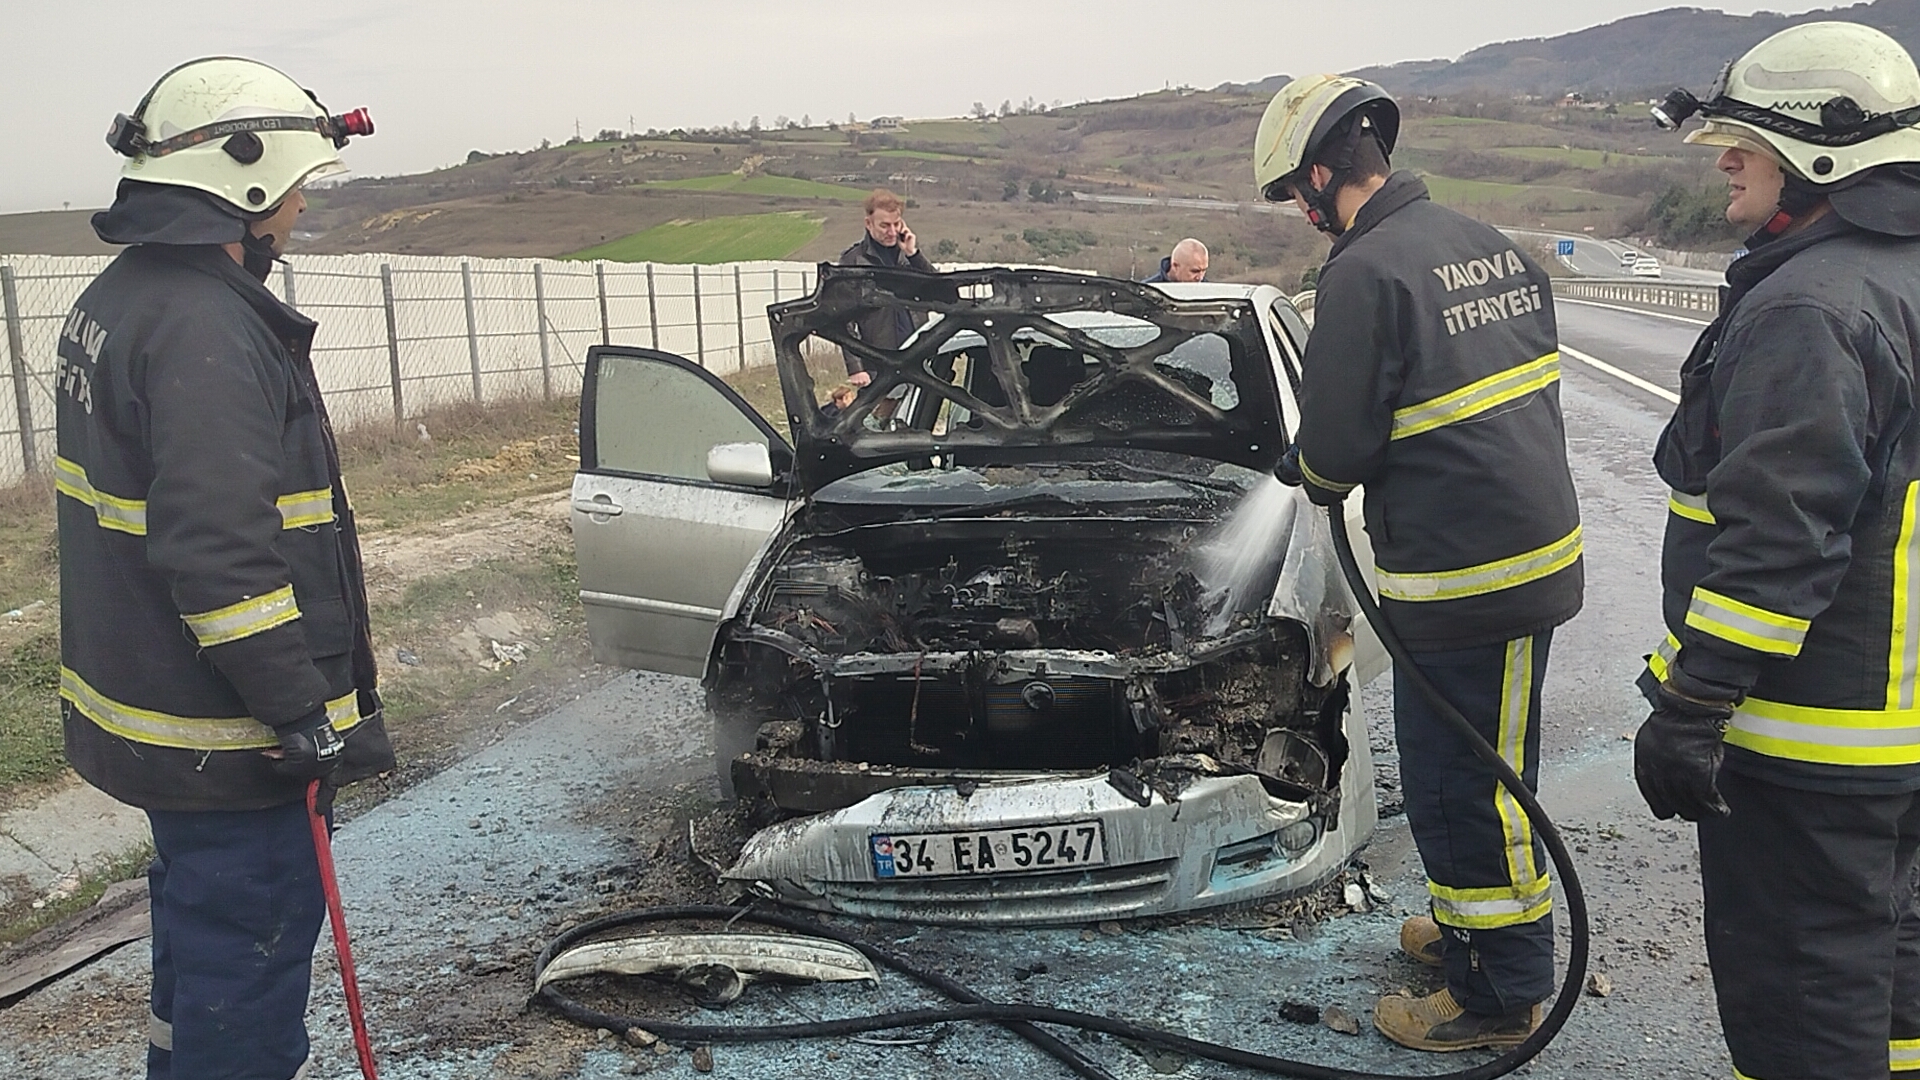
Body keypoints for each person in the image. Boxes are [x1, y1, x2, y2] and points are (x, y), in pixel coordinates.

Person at [58, 58, 390, 1080]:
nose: (298, 207)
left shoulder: (127, 297)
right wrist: (299, 708)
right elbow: (219, 555)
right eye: (296, 186)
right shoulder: (206, 326)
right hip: (228, 734)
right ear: (243, 185)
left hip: (160, 712)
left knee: (200, 955)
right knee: (248, 964)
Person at [1255, 75, 1583, 1051]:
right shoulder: (1489, 247)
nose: (1302, 214)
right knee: (1464, 776)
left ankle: (1502, 995)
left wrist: (1302, 466)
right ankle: (1469, 937)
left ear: (1320, 175)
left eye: (1294, 195)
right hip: (1515, 561)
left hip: (1464, 579)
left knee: (1468, 785)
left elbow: (1337, 452)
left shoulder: (1364, 274)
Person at [1631, 23, 1920, 1079]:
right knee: (1891, 977)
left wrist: (1698, 703)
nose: (1723, 161)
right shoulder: (1900, 279)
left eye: (1742, 143)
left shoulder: (1811, 307)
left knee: (1803, 1001)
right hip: (1899, 733)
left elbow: (1779, 537)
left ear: (1820, 157)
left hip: (1816, 743)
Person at [836, 188, 935, 384]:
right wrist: (856, 368)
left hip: (919, 358)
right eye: (884, 226)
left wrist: (914, 255)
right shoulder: (853, 261)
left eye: (896, 224)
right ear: (868, 223)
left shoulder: (909, 257)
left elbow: (941, 292)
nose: (891, 232)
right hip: (878, 364)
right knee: (883, 414)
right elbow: (842, 318)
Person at [1142, 237, 1209, 282]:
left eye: (1204, 270)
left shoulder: (1210, 293)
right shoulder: (1147, 293)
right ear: (1175, 266)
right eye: (1195, 271)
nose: (1200, 278)